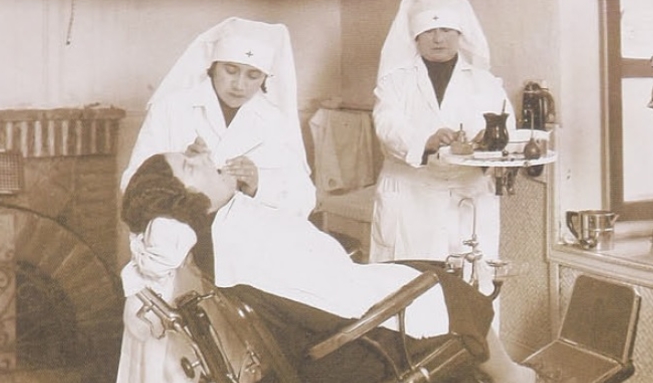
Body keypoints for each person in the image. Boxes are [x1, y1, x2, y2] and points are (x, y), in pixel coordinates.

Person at [120, 149, 539, 383]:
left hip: (308, 338)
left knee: (425, 270)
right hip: (345, 352)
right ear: (188, 199)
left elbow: (306, 276)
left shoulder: (219, 237)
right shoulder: (236, 234)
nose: (205, 154)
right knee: (446, 287)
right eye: (192, 165)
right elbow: (332, 298)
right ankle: (514, 379)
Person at [116, 17, 316, 383]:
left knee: (233, 361)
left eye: (253, 76)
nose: (240, 84)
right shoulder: (174, 108)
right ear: (213, 67)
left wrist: (260, 183)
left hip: (242, 263)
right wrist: (177, 169)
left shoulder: (273, 120)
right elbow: (135, 186)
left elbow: (305, 198)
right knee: (173, 364)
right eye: (231, 71)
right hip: (177, 261)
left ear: (266, 78)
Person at [370, 0, 516, 284]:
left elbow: (506, 128)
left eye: (446, 30)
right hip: (412, 196)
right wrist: (426, 140)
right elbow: (387, 124)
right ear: (415, 37)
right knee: (408, 288)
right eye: (429, 31)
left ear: (460, 34)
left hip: (469, 195)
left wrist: (488, 144)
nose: (438, 38)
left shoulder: (484, 82)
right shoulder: (395, 81)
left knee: (473, 288)